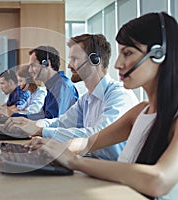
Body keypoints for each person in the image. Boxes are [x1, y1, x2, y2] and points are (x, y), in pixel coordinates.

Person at [26, 12, 178, 199]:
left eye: (128, 53)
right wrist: (53, 146)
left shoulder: (174, 119)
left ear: (159, 55)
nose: (117, 64)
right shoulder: (140, 112)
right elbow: (89, 142)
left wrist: (74, 161)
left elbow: (158, 181)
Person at [4, 34, 139, 161]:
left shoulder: (119, 95)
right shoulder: (86, 99)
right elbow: (60, 122)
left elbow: (97, 135)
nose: (69, 65)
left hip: (114, 171)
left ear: (95, 60)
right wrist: (33, 125)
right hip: (91, 164)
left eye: (74, 59)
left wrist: (40, 130)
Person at [20, 45, 78, 120]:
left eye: (33, 65)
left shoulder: (61, 86)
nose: (30, 70)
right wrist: (16, 117)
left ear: (46, 63)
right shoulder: (53, 86)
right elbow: (43, 116)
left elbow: (52, 122)